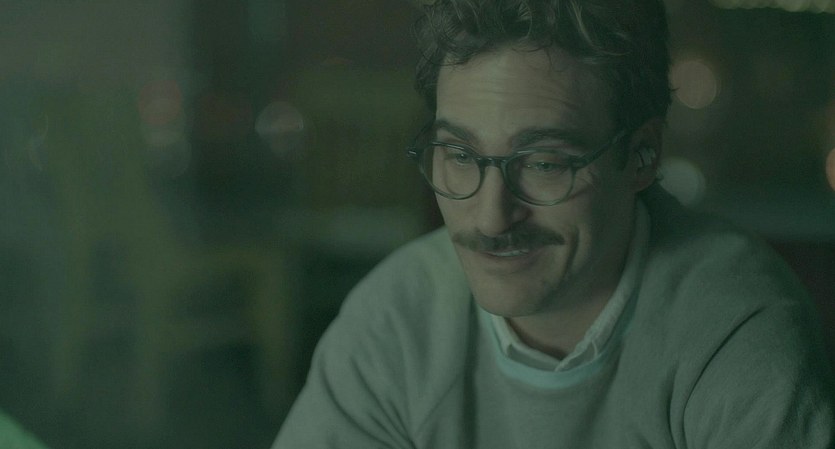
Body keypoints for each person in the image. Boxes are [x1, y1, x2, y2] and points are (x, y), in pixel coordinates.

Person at [272, 0, 835, 447]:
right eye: (461, 155)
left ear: (642, 155)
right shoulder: (396, 321)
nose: (491, 218)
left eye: (544, 163)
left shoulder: (735, 334)